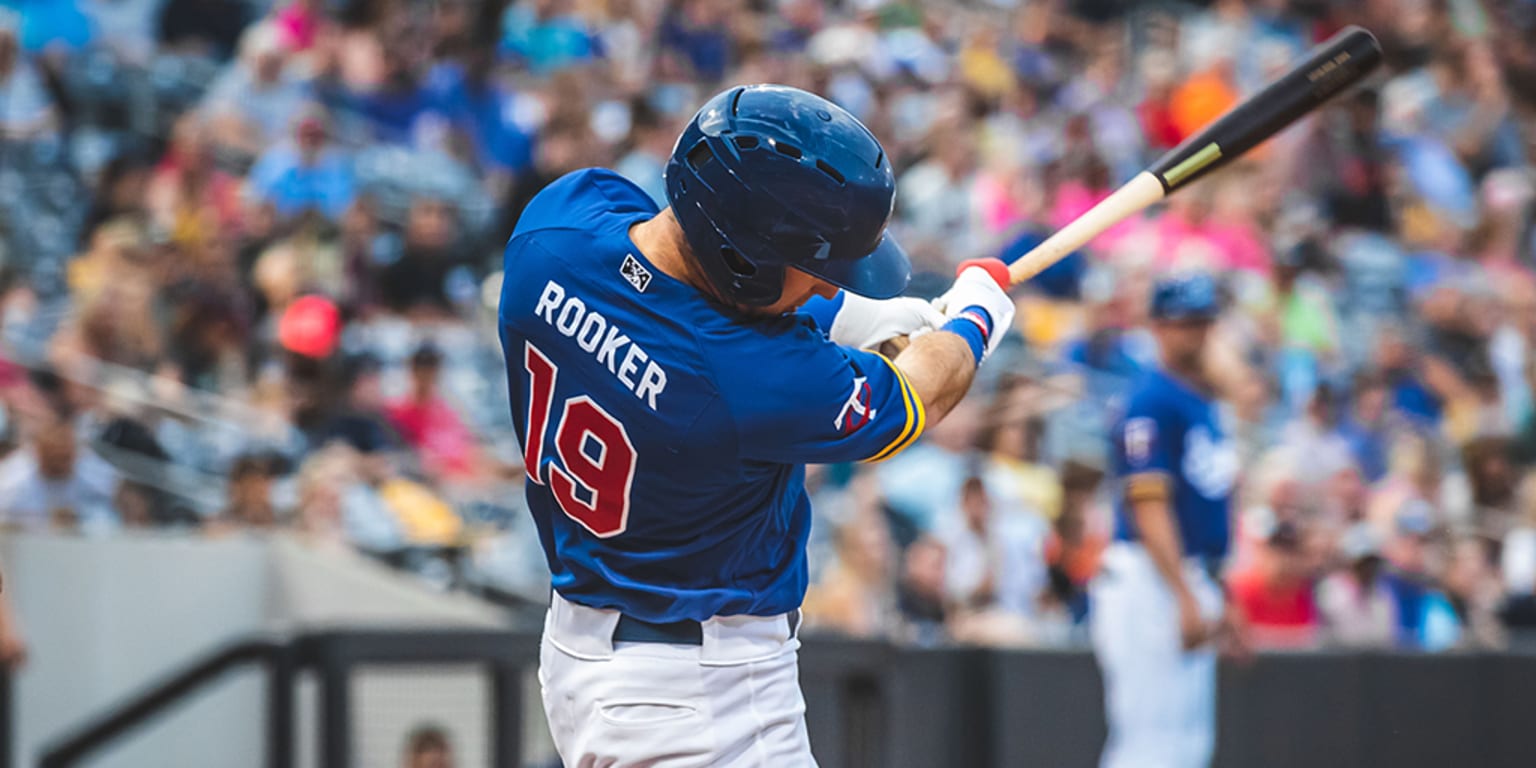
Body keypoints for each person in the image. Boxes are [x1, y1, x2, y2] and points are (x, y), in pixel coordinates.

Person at [498, 84, 1014, 766]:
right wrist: (975, 317)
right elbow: (920, 396)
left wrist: (849, 319)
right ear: (744, 259)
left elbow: (671, 274)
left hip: (586, 653)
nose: (832, 286)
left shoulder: (554, 225)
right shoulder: (744, 382)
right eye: (817, 270)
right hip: (698, 700)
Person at [1090, 272, 1244, 768]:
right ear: (1158, 326)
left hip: (1185, 573)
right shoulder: (1150, 399)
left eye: (1203, 321)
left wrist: (1217, 594)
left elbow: (1208, 508)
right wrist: (1184, 593)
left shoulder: (1201, 400)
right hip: (1148, 575)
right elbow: (1148, 504)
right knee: (1147, 743)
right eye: (1184, 322)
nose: (1196, 332)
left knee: (1185, 746)